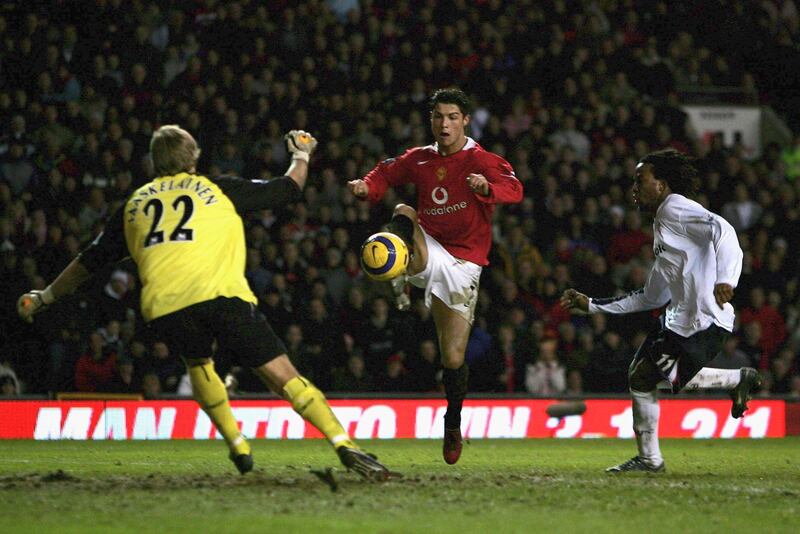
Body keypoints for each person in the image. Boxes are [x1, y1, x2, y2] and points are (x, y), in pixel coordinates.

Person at [17, 125, 390, 480]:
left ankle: (238, 445)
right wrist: (301, 154)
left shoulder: (134, 204)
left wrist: (44, 296)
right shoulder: (216, 188)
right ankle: (343, 443)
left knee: (198, 362)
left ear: (153, 163)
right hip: (221, 297)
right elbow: (287, 189)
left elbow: (89, 261)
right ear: (193, 159)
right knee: (283, 377)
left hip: (164, 308)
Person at [347, 88, 523, 464]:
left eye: (452, 117)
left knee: (453, 357)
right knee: (404, 209)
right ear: (432, 121)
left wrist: (487, 188)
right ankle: (400, 273)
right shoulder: (421, 158)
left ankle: (453, 422)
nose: (445, 123)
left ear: (465, 121)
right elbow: (385, 171)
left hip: (463, 263)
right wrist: (367, 187)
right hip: (428, 244)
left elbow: (515, 189)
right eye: (438, 116)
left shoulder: (482, 159)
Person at [560, 149, 761, 473]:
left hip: (705, 319)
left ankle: (736, 379)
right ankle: (649, 459)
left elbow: (723, 230)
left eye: (641, 180)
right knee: (640, 377)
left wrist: (726, 278)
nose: (634, 188)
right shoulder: (663, 226)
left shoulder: (674, 208)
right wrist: (593, 305)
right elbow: (652, 295)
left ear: (662, 185)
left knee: (666, 376)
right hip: (679, 321)